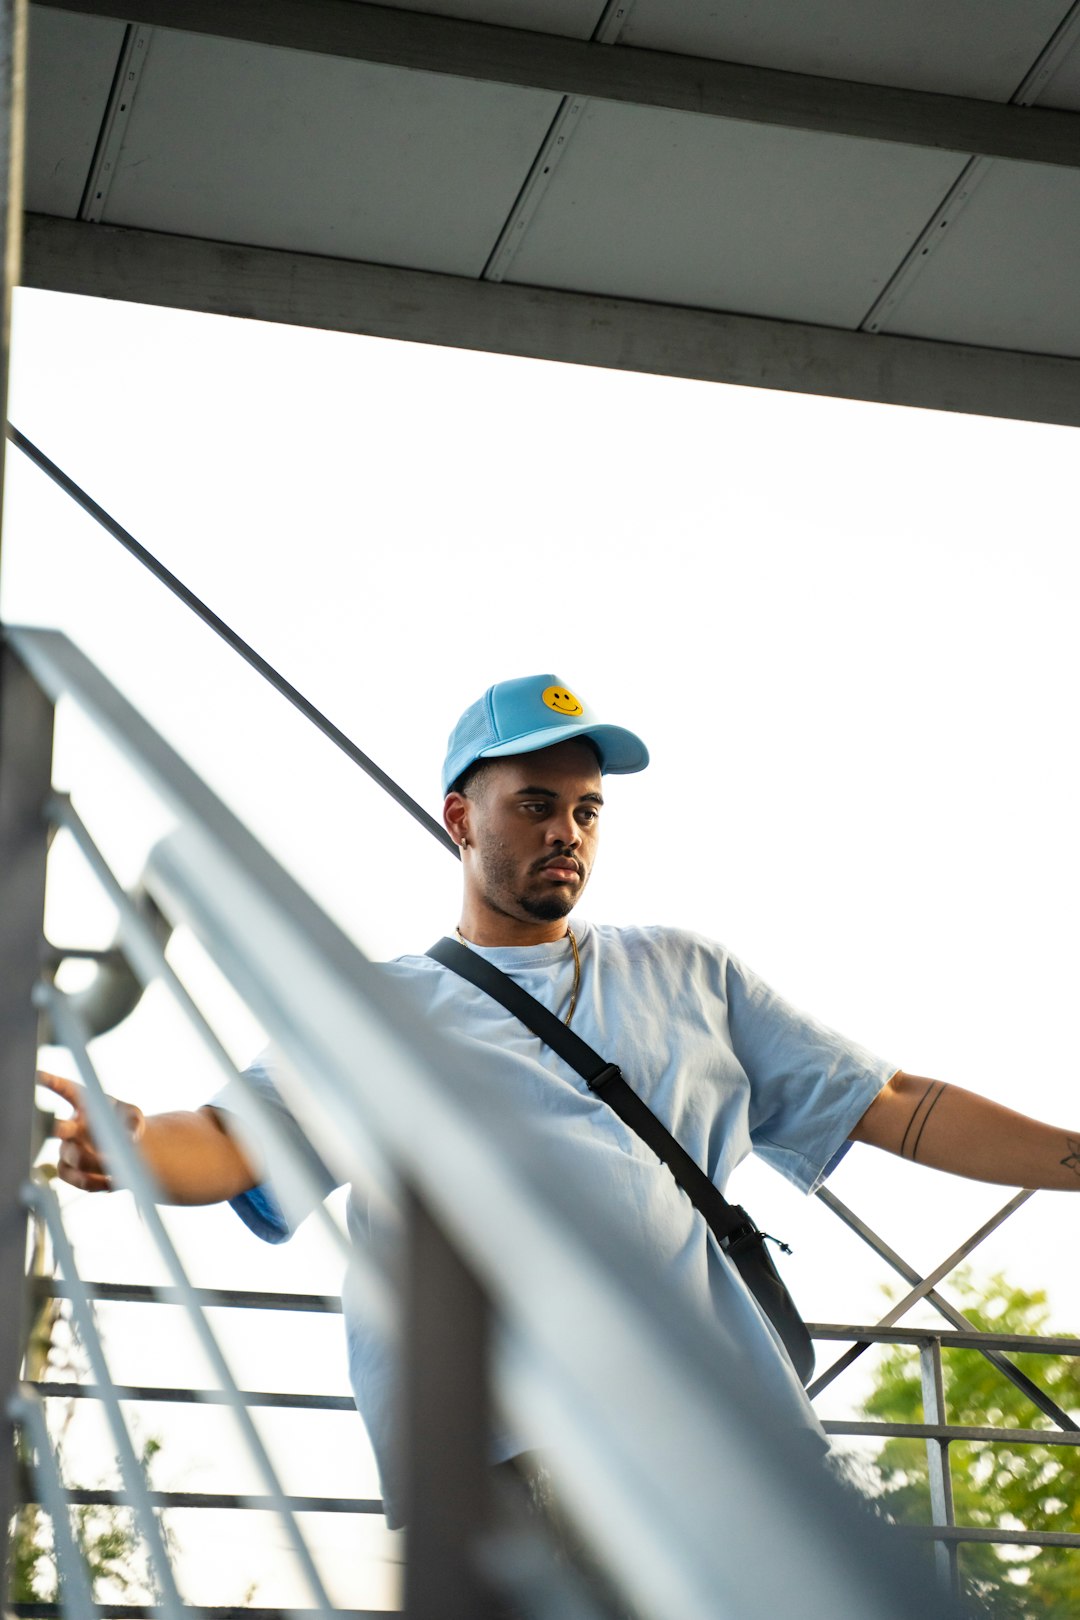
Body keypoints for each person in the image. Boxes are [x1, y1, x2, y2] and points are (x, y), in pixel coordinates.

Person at [38, 672, 1080, 1538]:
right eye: (534, 804)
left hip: (729, 1435)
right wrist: (133, 1144)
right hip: (516, 1464)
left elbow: (892, 1101)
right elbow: (231, 1141)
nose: (566, 832)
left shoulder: (689, 973)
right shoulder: (381, 1008)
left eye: (586, 810)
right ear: (461, 818)